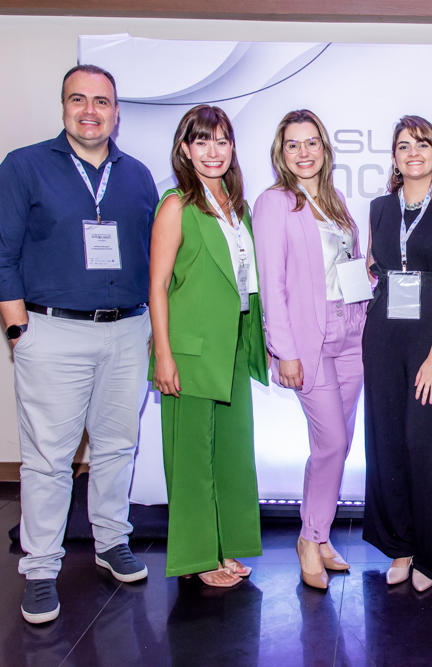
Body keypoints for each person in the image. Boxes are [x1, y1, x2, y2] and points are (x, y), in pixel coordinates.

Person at [0, 64, 158, 623]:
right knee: (48, 459)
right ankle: (39, 567)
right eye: (78, 100)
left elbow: (154, 260)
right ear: (63, 107)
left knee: (115, 446)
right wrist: (19, 331)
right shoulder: (25, 167)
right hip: (51, 330)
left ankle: (110, 540)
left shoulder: (137, 176)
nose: (90, 111)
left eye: (101, 101)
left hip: (127, 329)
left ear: (116, 111)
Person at [149, 105, 269, 588]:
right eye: (201, 141)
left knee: (232, 454)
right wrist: (163, 354)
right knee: (192, 459)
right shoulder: (176, 204)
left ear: (232, 147)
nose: (212, 151)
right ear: (184, 149)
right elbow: (157, 285)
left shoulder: (238, 206)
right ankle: (198, 558)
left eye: (221, 140)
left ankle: (224, 548)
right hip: (191, 351)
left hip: (233, 344)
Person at [253, 110, 365, 591]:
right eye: (294, 144)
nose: (304, 152)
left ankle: (318, 536)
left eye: (312, 142)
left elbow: (347, 265)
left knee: (335, 446)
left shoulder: (335, 200)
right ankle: (309, 537)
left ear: (325, 148)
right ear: (282, 151)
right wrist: (284, 350)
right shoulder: (275, 202)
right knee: (332, 442)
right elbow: (271, 284)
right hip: (308, 337)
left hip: (352, 332)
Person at [362, 115, 432, 592]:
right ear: (393, 156)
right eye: (404, 145)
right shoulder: (380, 208)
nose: (413, 152)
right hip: (384, 337)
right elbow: (372, 262)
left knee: (426, 446)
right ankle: (401, 546)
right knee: (386, 444)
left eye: (423, 144)